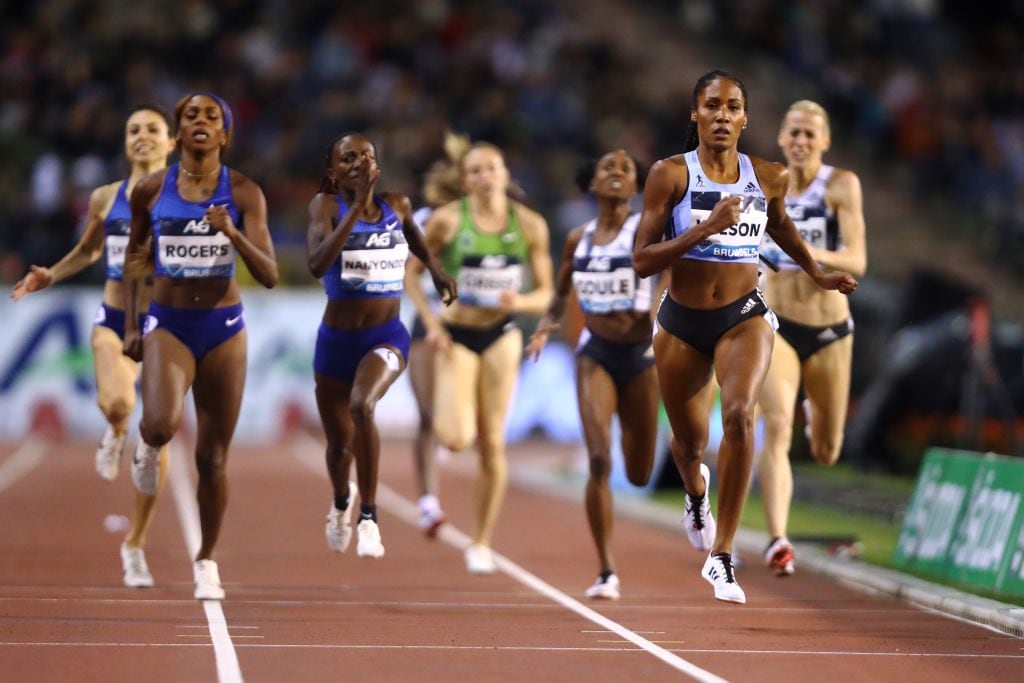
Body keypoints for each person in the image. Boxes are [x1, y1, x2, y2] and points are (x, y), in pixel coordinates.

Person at [632, 70, 857, 604]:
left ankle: (723, 555)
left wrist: (818, 273)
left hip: (743, 314)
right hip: (682, 322)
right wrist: (704, 228)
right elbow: (641, 260)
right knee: (691, 444)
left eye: (733, 107)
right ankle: (696, 495)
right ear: (696, 114)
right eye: (712, 106)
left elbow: (781, 226)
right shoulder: (670, 174)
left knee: (739, 415)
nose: (722, 116)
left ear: (745, 119)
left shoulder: (768, 175)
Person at [12, 105, 175, 589]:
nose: (142, 136)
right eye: (133, 129)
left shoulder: (186, 196)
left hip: (166, 324)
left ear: (171, 142)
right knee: (120, 404)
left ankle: (135, 544)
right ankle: (115, 429)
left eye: (153, 129)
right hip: (114, 317)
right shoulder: (107, 196)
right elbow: (89, 250)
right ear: (125, 141)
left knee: (158, 437)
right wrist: (50, 274)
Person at [123, 93, 278, 600]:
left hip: (224, 329)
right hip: (168, 324)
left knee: (212, 459)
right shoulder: (151, 190)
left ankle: (207, 560)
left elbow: (270, 274)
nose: (201, 122)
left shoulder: (245, 192)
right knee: (160, 425)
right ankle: (147, 446)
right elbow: (135, 258)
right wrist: (132, 324)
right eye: (191, 116)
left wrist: (231, 231)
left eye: (211, 117)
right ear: (179, 133)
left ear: (225, 134)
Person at [405, 140, 554, 574]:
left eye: (492, 168)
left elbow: (546, 292)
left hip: (501, 335)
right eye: (475, 171)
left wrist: (519, 301)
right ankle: (458, 418)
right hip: (456, 335)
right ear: (465, 180)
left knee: (492, 443)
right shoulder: (448, 221)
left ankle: (481, 542)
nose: (485, 176)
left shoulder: (530, 225)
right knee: (455, 438)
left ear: (505, 174)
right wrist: (432, 325)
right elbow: (412, 275)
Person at [308, 132, 456, 559]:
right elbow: (317, 263)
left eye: (366, 156)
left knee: (363, 405)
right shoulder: (325, 207)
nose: (358, 162)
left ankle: (369, 518)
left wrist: (437, 270)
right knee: (339, 447)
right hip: (336, 342)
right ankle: (342, 501)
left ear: (377, 165)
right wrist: (355, 208)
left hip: (386, 336)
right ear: (333, 172)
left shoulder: (398, 205)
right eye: (347, 158)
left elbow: (415, 237)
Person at [526, 150, 662, 600]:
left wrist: (661, 312)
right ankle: (606, 570)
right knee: (600, 459)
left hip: (640, 355)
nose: (617, 174)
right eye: (608, 168)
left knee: (638, 473)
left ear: (637, 186)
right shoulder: (577, 238)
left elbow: (671, 270)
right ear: (592, 183)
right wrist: (544, 327)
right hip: (595, 354)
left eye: (626, 170)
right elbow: (559, 292)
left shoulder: (645, 230)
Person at [757, 101, 867, 576]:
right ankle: (778, 540)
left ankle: (813, 415)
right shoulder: (763, 183)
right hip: (777, 322)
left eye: (810, 134)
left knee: (826, 450)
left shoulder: (840, 185)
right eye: (794, 133)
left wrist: (799, 248)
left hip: (828, 331)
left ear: (824, 142)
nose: (801, 141)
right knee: (776, 425)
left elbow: (858, 260)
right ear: (782, 138)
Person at [406, 132, 468, 537]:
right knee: (427, 414)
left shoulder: (490, 218)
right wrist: (430, 319)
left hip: (473, 325)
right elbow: (409, 271)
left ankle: (454, 432)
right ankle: (428, 501)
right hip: (430, 319)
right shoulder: (425, 219)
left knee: (458, 418)